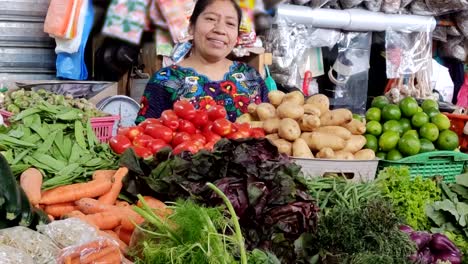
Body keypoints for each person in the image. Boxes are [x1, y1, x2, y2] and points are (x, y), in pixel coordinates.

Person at [136, 0, 269, 123]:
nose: (220, 30)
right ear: (191, 27)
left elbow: (272, 126)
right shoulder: (164, 80)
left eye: (230, 23)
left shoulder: (251, 76)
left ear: (236, 36)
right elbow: (142, 139)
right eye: (210, 19)